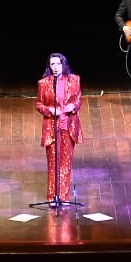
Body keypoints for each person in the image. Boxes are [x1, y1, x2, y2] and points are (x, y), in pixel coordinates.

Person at [36, 52, 83, 204]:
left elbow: (79, 101)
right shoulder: (44, 83)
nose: (55, 67)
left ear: (63, 64)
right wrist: (49, 110)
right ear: (49, 66)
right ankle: (52, 197)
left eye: (58, 63)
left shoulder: (75, 80)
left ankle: (64, 197)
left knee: (65, 163)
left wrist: (73, 106)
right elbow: (38, 104)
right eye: (52, 64)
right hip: (52, 128)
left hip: (68, 127)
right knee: (53, 163)